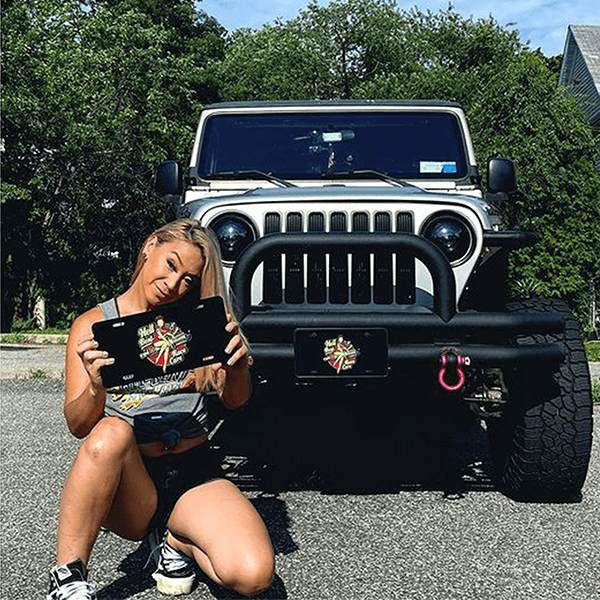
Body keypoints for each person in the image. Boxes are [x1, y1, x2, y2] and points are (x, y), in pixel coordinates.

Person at [48, 219, 275, 599]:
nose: (173, 285)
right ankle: (69, 576)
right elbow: (77, 425)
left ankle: (175, 541)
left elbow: (236, 401)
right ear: (150, 246)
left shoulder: (199, 323)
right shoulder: (93, 325)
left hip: (193, 470)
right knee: (110, 432)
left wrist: (236, 368)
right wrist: (95, 387)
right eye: (171, 265)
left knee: (253, 575)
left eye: (188, 279)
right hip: (130, 482)